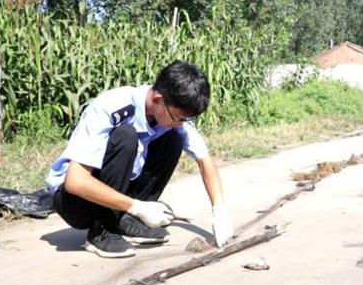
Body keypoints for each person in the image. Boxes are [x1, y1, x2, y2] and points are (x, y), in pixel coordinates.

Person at [45, 60, 234, 258]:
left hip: (117, 192)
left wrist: (219, 209)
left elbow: (205, 160)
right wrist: (137, 207)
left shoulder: (173, 118)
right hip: (76, 202)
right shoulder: (112, 107)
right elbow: (75, 182)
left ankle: (124, 219)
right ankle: (102, 231)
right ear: (158, 99)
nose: (180, 124)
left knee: (173, 139)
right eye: (178, 118)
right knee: (126, 136)